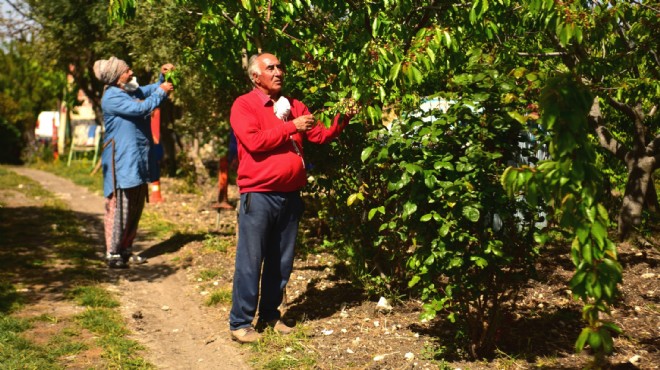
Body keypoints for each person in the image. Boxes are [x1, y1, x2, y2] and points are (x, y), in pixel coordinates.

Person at [228, 52, 358, 343]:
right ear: (255, 76)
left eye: (279, 67)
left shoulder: (295, 105)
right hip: (258, 195)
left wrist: (345, 115)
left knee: (280, 261)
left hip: (290, 196)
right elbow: (253, 142)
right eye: (270, 68)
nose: (278, 72)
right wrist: (291, 127)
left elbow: (321, 135)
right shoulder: (244, 105)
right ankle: (240, 323)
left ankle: (271, 315)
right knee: (251, 261)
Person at [93, 56, 174, 268]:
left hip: (137, 159)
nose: (131, 72)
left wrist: (162, 77)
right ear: (117, 76)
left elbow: (148, 91)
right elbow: (141, 108)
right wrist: (161, 92)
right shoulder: (112, 97)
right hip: (122, 160)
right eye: (127, 70)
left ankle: (126, 250)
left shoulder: (127, 91)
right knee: (120, 206)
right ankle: (113, 253)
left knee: (136, 206)